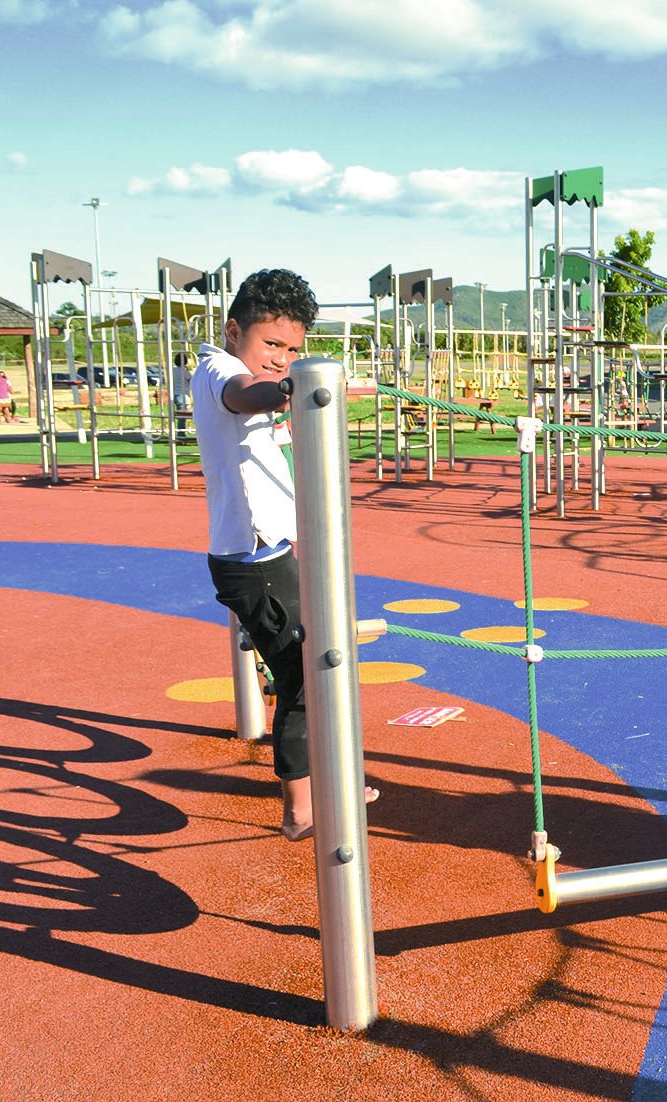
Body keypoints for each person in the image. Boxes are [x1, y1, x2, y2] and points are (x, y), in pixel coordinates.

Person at [194, 268, 377, 841]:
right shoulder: (219, 370)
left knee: (313, 659)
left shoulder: (246, 373)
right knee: (306, 672)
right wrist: (297, 386)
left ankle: (326, 774)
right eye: (271, 344)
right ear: (232, 330)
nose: (281, 358)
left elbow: (264, 427)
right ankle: (301, 807)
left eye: (294, 350)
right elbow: (243, 396)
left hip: (266, 557)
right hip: (252, 564)